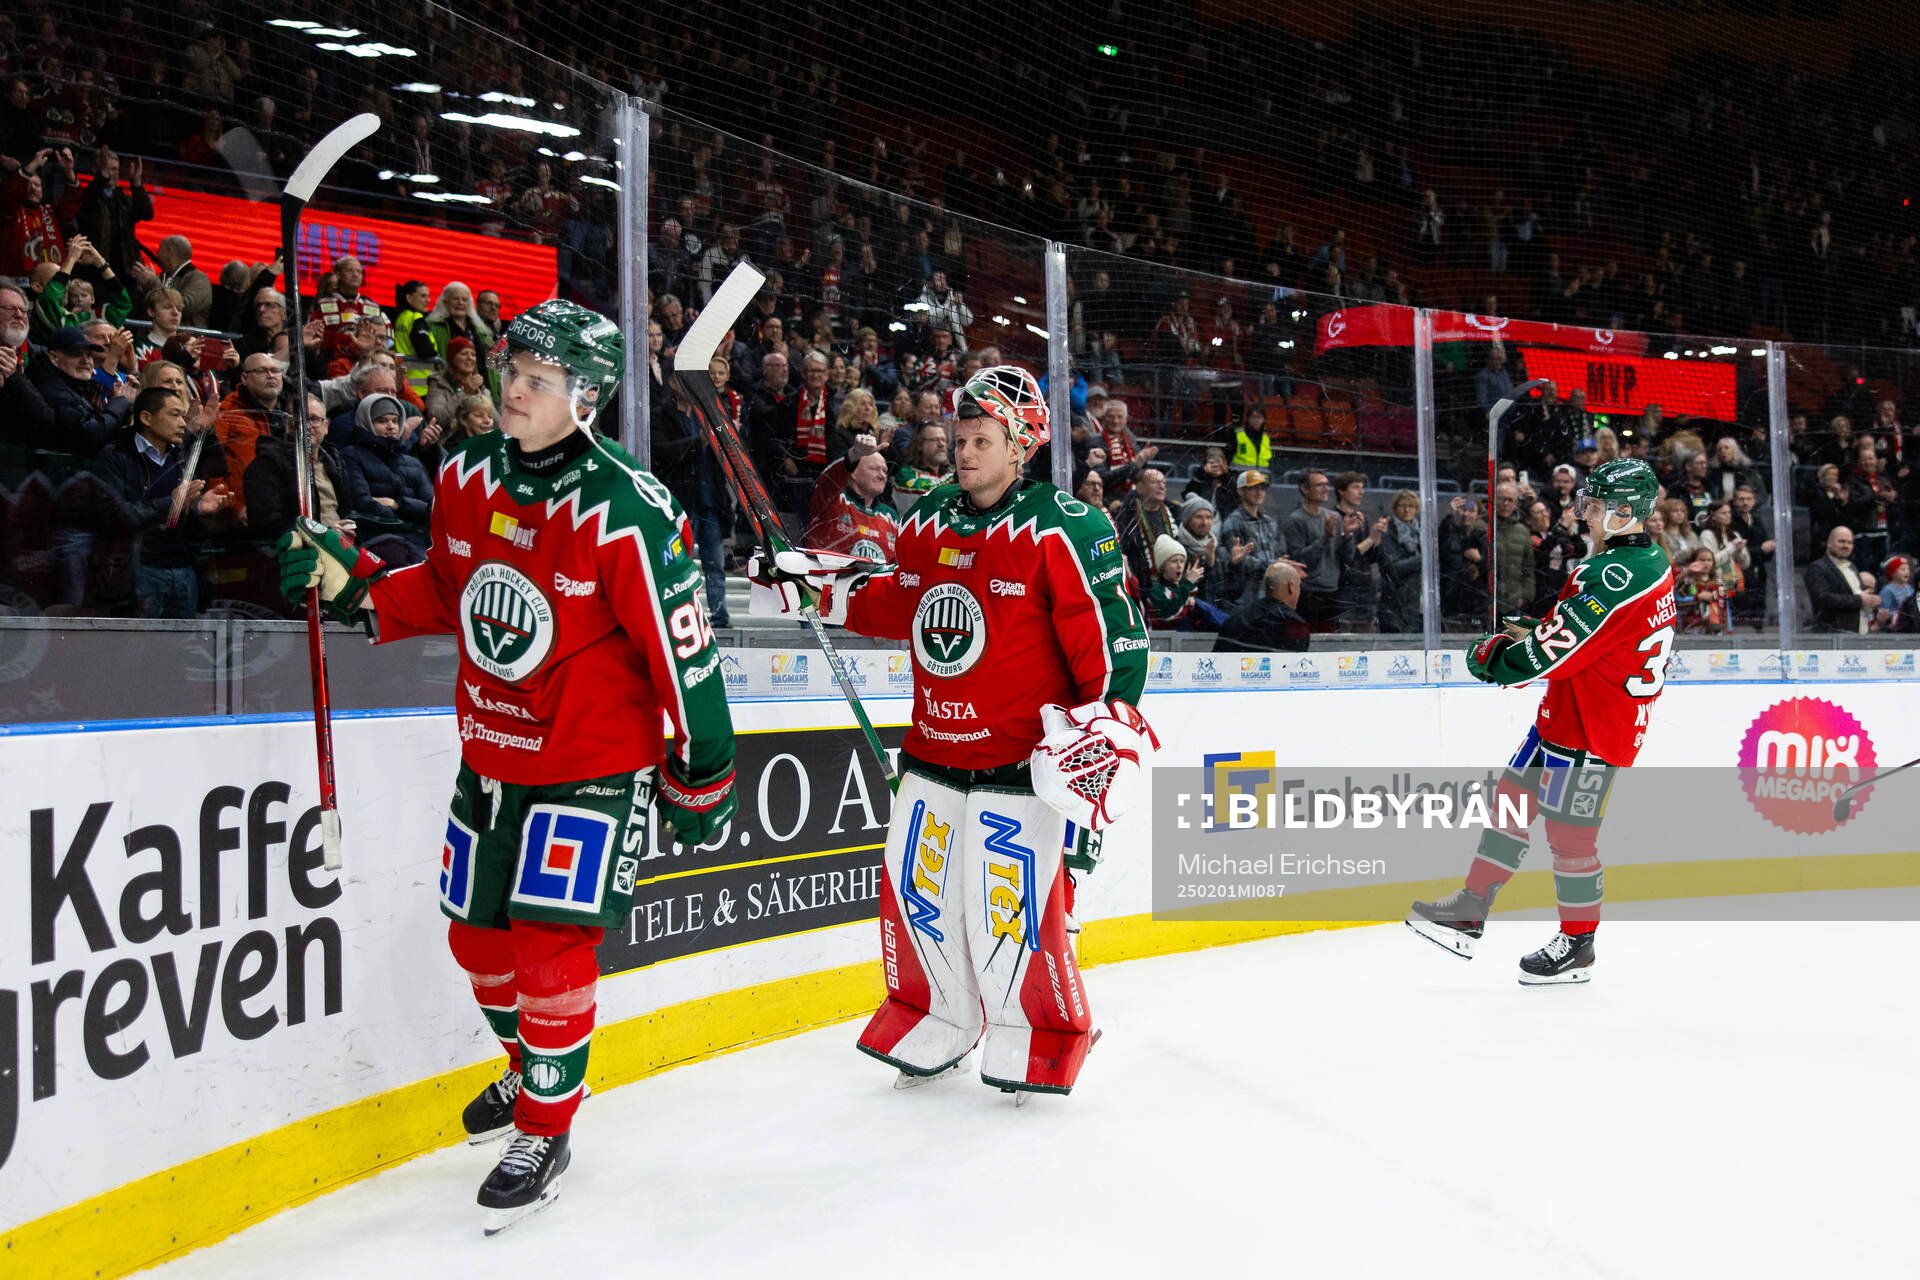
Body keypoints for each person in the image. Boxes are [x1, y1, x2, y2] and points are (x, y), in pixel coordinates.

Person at [276, 299, 737, 1232]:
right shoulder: (464, 476)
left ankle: (545, 1124)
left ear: (589, 397)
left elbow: (683, 653)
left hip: (592, 766)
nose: (514, 392)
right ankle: (536, 1068)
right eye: (512, 373)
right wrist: (356, 580)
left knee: (548, 944)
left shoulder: (627, 509)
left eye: (540, 382)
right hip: (490, 756)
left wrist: (703, 767)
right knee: (475, 938)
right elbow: (448, 588)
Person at [748, 364, 1152, 1099]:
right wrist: (813, 587)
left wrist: (1097, 747)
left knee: (1011, 913)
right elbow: (896, 602)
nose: (962, 452)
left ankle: (1036, 1032)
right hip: (933, 754)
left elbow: (1115, 647)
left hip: (1019, 766)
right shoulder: (931, 513)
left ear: (1020, 445)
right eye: (960, 437)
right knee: (920, 896)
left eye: (981, 439)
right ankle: (933, 1013)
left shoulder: (1066, 526)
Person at [1408, 458, 1677, 985]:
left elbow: (1553, 653)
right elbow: (1592, 637)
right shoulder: (1647, 560)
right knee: (1511, 798)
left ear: (1626, 513)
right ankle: (1471, 907)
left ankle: (1578, 943)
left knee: (1572, 838)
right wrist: (1540, 627)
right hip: (1570, 712)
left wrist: (1493, 659)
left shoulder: (1610, 573)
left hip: (1593, 728)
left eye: (1596, 507)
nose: (1586, 514)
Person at [94, 385, 231, 616]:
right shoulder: (114, 457)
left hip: (184, 568)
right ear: (146, 418)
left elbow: (213, 471)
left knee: (181, 648)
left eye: (183, 416)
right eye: (174, 415)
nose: (182, 423)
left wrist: (199, 506)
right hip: (139, 570)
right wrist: (172, 503)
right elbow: (116, 515)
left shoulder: (180, 455)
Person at [1214, 561, 1310, 653]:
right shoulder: (1296, 624)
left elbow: (1217, 660)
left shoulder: (1236, 617)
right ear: (1291, 587)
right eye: (1299, 586)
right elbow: (1296, 665)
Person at [1805, 526, 1876, 634]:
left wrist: (1869, 600)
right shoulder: (1817, 567)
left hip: (1859, 632)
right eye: (1841, 541)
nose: (1846, 546)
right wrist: (1860, 600)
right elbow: (1823, 598)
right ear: (1829, 543)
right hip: (1834, 634)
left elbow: (1858, 597)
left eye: (1850, 543)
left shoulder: (1852, 567)